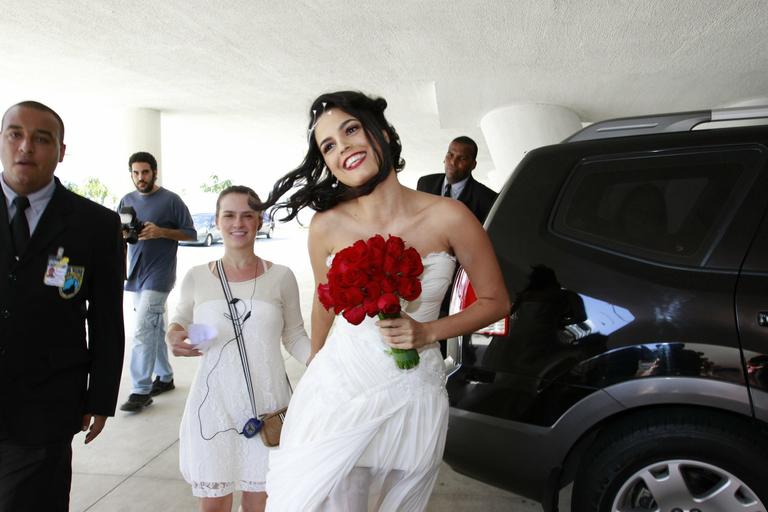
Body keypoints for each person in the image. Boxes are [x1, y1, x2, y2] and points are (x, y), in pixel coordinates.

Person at [263, 91, 510, 511]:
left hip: (412, 390)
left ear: (382, 132)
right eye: (328, 146)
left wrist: (427, 331)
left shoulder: (450, 216)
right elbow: (326, 304)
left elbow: (496, 301)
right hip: (338, 387)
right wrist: (315, 370)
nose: (343, 149)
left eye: (351, 130)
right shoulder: (326, 226)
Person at [0, 101, 125, 511]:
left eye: (41, 138)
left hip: (49, 404)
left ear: (60, 151)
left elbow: (106, 319)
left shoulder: (96, 225)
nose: (26, 147)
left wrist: (100, 396)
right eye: (15, 134)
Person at [167, 186, 310, 512]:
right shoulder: (197, 276)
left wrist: (322, 362)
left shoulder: (281, 277)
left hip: (267, 406)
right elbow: (178, 322)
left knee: (260, 502)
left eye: (247, 215)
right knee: (214, 502)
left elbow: (294, 336)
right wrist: (173, 337)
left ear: (260, 220)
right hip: (214, 406)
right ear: (217, 221)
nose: (238, 223)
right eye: (229, 215)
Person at [119, 151, 196, 412]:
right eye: (136, 173)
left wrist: (161, 231)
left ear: (155, 172)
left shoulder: (171, 200)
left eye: (145, 172)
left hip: (160, 274)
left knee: (142, 329)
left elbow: (191, 233)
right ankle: (164, 376)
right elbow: (121, 233)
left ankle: (140, 390)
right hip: (136, 274)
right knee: (153, 326)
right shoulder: (126, 201)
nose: (141, 178)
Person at [416, 136, 498, 224]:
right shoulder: (425, 183)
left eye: (462, 158)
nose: (453, 162)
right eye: (450, 155)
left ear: (473, 165)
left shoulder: (487, 199)